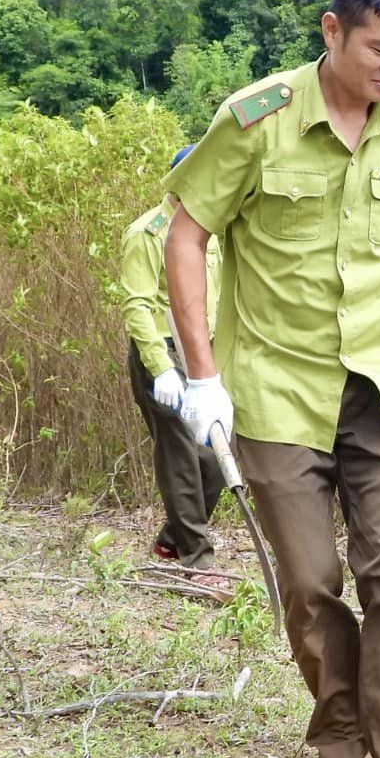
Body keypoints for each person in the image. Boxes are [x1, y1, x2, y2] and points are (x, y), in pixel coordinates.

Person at [163, 0, 380, 758]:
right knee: (309, 580)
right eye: (378, 48)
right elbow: (186, 234)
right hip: (280, 391)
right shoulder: (254, 121)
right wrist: (203, 377)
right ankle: (337, 729)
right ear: (332, 32)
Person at [118, 149, 227, 592]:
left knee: (218, 457)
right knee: (181, 453)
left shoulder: (213, 232)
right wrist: (160, 367)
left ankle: (172, 537)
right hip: (163, 353)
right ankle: (198, 560)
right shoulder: (147, 232)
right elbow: (137, 304)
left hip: (206, 353)